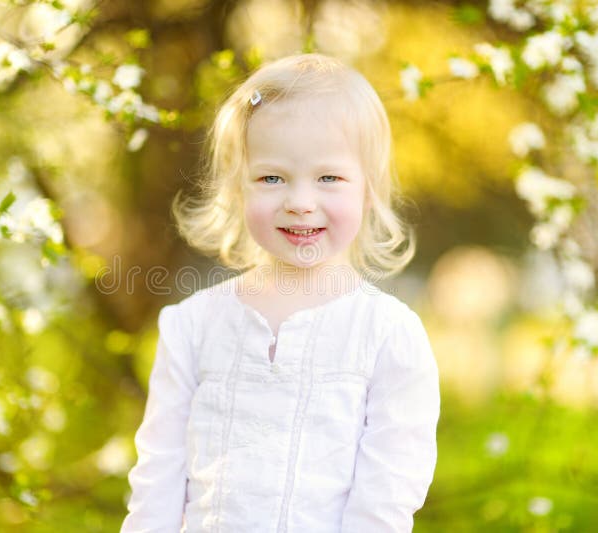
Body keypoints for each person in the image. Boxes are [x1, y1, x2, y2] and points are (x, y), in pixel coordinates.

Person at [120, 53, 440, 532]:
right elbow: (157, 484)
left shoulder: (388, 336)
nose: (300, 202)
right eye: (272, 178)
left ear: (368, 190)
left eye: (329, 178)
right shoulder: (192, 328)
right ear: (238, 189)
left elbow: (385, 500)